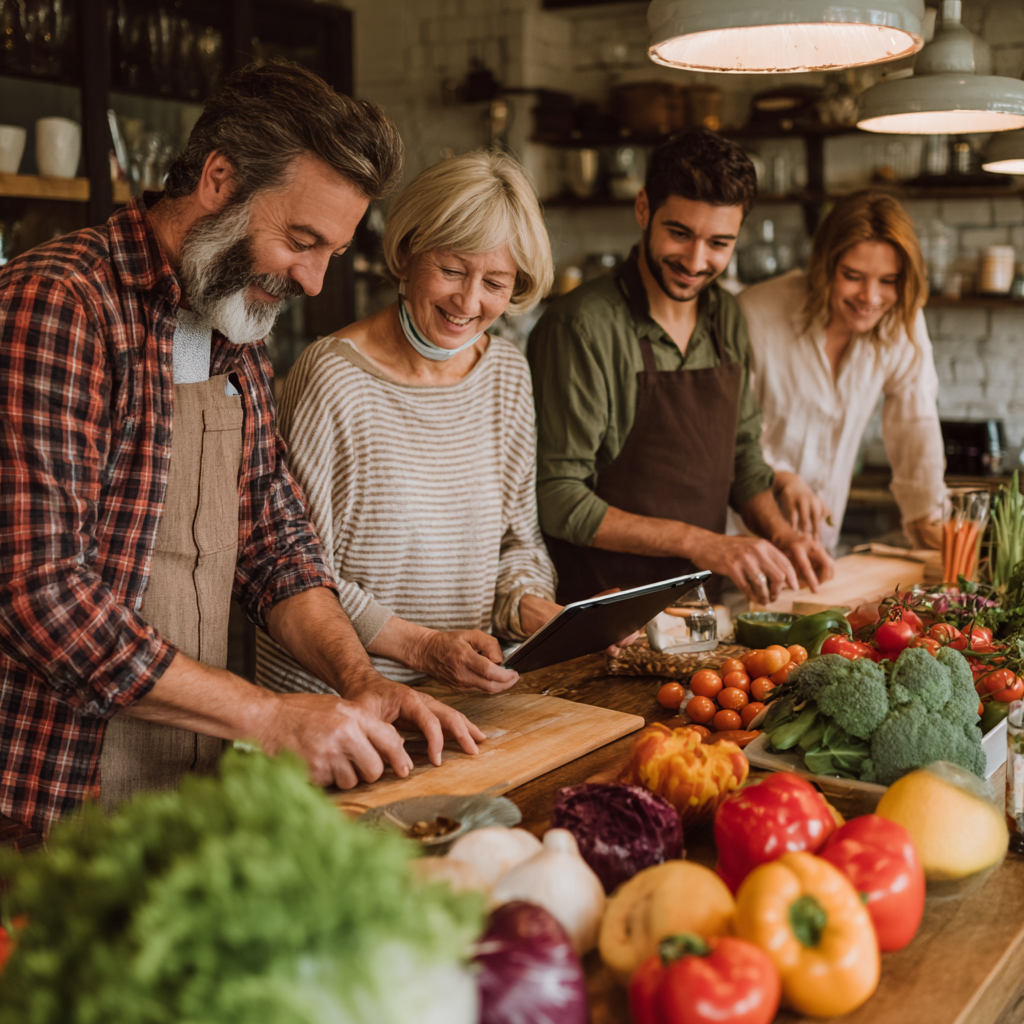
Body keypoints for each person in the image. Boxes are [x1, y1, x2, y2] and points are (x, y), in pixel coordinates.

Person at [0, 63, 484, 835]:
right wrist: (269, 716)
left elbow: (276, 545)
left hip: (188, 792)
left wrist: (360, 681)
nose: (316, 280)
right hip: (55, 807)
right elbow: (39, 593)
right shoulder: (61, 305)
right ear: (219, 180)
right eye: (301, 240)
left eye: (332, 249)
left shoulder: (233, 328)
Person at [256, 151, 560, 696]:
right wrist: (424, 646)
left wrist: (530, 606)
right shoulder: (332, 377)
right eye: (451, 270)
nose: (468, 301)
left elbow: (520, 540)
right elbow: (297, 575)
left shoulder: (507, 373)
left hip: (460, 694)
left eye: (495, 282)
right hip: (339, 703)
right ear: (407, 252)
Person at [528, 130, 833, 607]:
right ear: (643, 209)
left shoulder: (726, 317)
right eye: (680, 233)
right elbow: (559, 499)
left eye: (719, 242)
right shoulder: (582, 327)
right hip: (602, 615)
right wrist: (702, 543)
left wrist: (781, 535)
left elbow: (743, 459)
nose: (695, 261)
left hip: (697, 606)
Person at [738, 191, 945, 552]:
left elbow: (916, 421)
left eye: (888, 280)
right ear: (824, 265)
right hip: (740, 539)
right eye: (853, 276)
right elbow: (728, 429)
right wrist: (781, 477)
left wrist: (924, 513)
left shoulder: (901, 322)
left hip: (821, 542)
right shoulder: (755, 313)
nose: (870, 297)